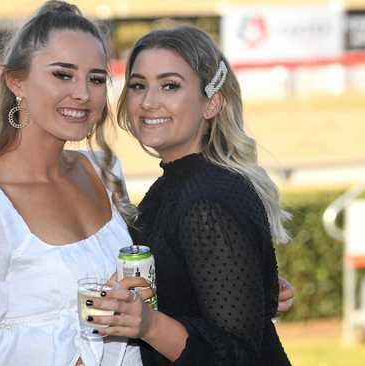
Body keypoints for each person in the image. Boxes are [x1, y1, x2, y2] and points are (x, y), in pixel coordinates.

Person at [0, 2, 146, 366]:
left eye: (95, 79)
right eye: (63, 75)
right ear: (17, 82)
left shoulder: (105, 172)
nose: (83, 93)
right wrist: (92, 340)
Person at [86, 26, 293, 365]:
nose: (149, 101)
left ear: (212, 103)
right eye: (138, 86)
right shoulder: (183, 182)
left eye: (170, 85)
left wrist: (149, 324)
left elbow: (238, 356)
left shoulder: (205, 200)